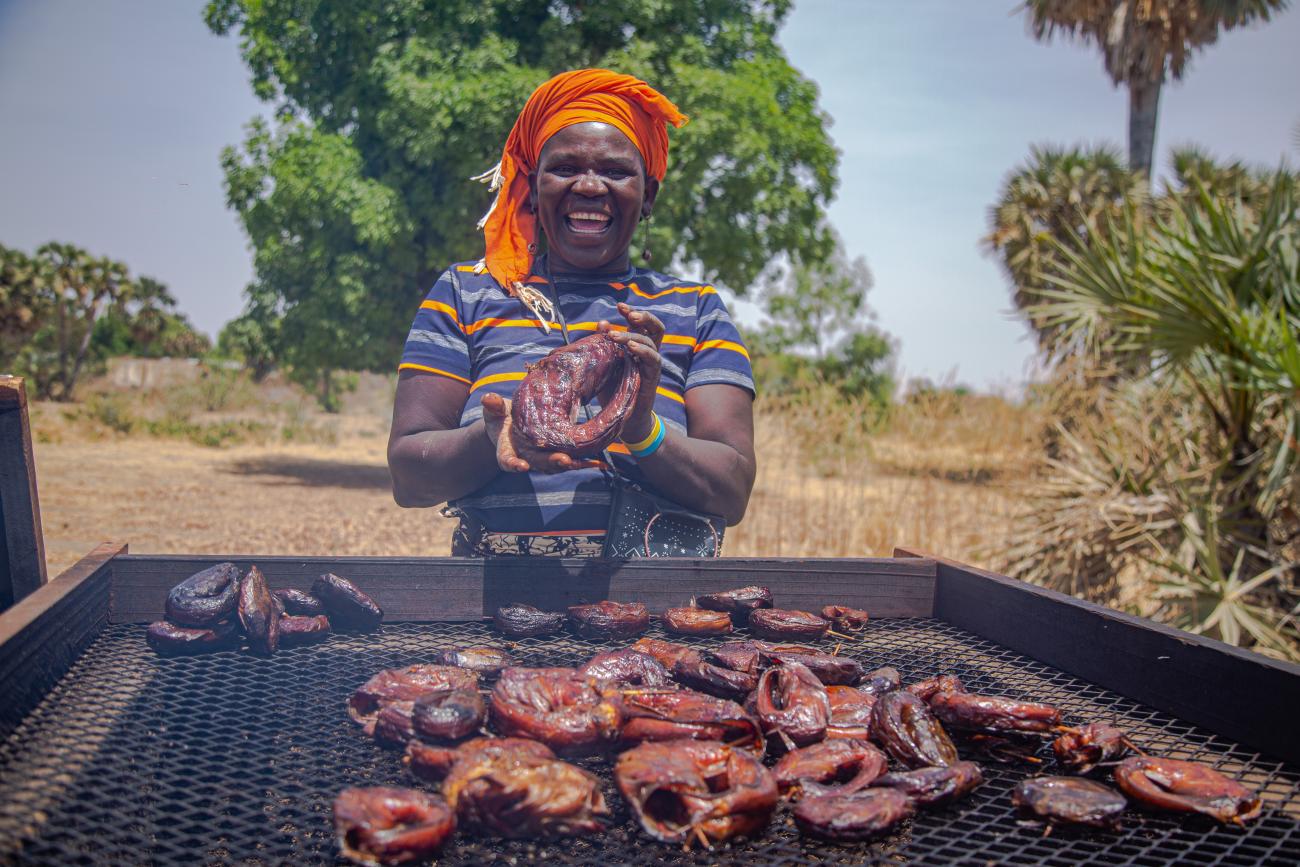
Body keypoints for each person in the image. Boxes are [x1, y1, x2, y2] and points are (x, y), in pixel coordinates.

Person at [387, 69, 756, 556]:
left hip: (661, 614)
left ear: (648, 197)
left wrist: (642, 429)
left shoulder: (695, 310)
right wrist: (495, 438)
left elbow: (731, 493)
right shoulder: (467, 294)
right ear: (532, 188)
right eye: (563, 168)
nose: (588, 186)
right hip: (495, 612)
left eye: (616, 171)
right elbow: (409, 477)